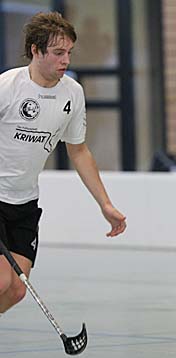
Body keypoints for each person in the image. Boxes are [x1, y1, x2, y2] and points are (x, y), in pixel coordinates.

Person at [0, 12, 127, 318]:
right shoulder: (8, 86)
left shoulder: (72, 93)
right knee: (2, 280)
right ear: (35, 50)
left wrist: (105, 204)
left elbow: (79, 150)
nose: (66, 60)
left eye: (69, 52)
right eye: (58, 53)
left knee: (16, 290)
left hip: (24, 203)